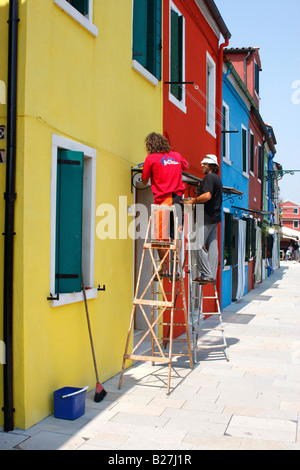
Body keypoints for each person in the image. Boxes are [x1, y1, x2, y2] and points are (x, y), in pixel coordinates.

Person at [141, 132, 189, 276]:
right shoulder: (176, 155)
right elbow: (186, 166)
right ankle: (176, 269)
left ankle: (164, 268)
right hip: (178, 200)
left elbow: (144, 180)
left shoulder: (151, 158)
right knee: (176, 237)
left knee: (159, 237)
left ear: (150, 145)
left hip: (163, 201)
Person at [186, 154, 222, 284]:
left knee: (195, 243)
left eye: (204, 164)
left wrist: (193, 201)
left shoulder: (209, 177)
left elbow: (207, 195)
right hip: (214, 216)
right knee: (212, 246)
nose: (202, 165)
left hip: (204, 215)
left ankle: (206, 274)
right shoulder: (217, 179)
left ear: (211, 165)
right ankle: (211, 274)